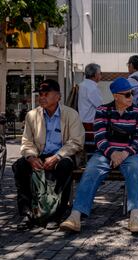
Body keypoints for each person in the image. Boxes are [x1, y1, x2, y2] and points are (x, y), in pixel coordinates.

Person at [60, 77, 138, 233]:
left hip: (130, 154)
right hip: (106, 153)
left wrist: (124, 153)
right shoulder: (102, 111)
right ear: (116, 96)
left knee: (134, 169)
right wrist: (112, 153)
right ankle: (75, 216)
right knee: (91, 170)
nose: (131, 98)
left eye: (132, 94)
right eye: (127, 94)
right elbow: (99, 137)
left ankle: (135, 216)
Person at [13, 79, 84, 230]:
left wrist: (58, 156)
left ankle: (56, 215)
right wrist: (31, 157)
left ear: (58, 96)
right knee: (19, 166)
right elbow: (26, 141)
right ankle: (27, 213)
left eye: (46, 94)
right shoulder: (32, 115)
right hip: (39, 156)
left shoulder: (71, 114)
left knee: (65, 166)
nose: (42, 97)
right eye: (40, 94)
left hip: (62, 156)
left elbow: (77, 141)